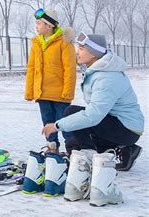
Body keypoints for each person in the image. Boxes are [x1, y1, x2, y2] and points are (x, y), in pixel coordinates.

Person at [43, 33, 144, 171]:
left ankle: (90, 158)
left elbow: (92, 116)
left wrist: (56, 126)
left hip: (126, 128)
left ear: (93, 53)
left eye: (82, 48)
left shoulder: (106, 78)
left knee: (71, 112)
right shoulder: (99, 70)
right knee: (73, 145)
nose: (77, 51)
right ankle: (126, 151)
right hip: (117, 125)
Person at [25, 8, 77, 153]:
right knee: (47, 122)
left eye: (39, 23)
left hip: (60, 94)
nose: (36, 26)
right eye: (36, 23)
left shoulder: (64, 42)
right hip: (42, 94)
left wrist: (68, 91)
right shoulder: (36, 43)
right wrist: (30, 91)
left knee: (64, 122)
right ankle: (52, 146)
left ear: (49, 26)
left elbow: (70, 69)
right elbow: (31, 68)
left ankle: (73, 149)